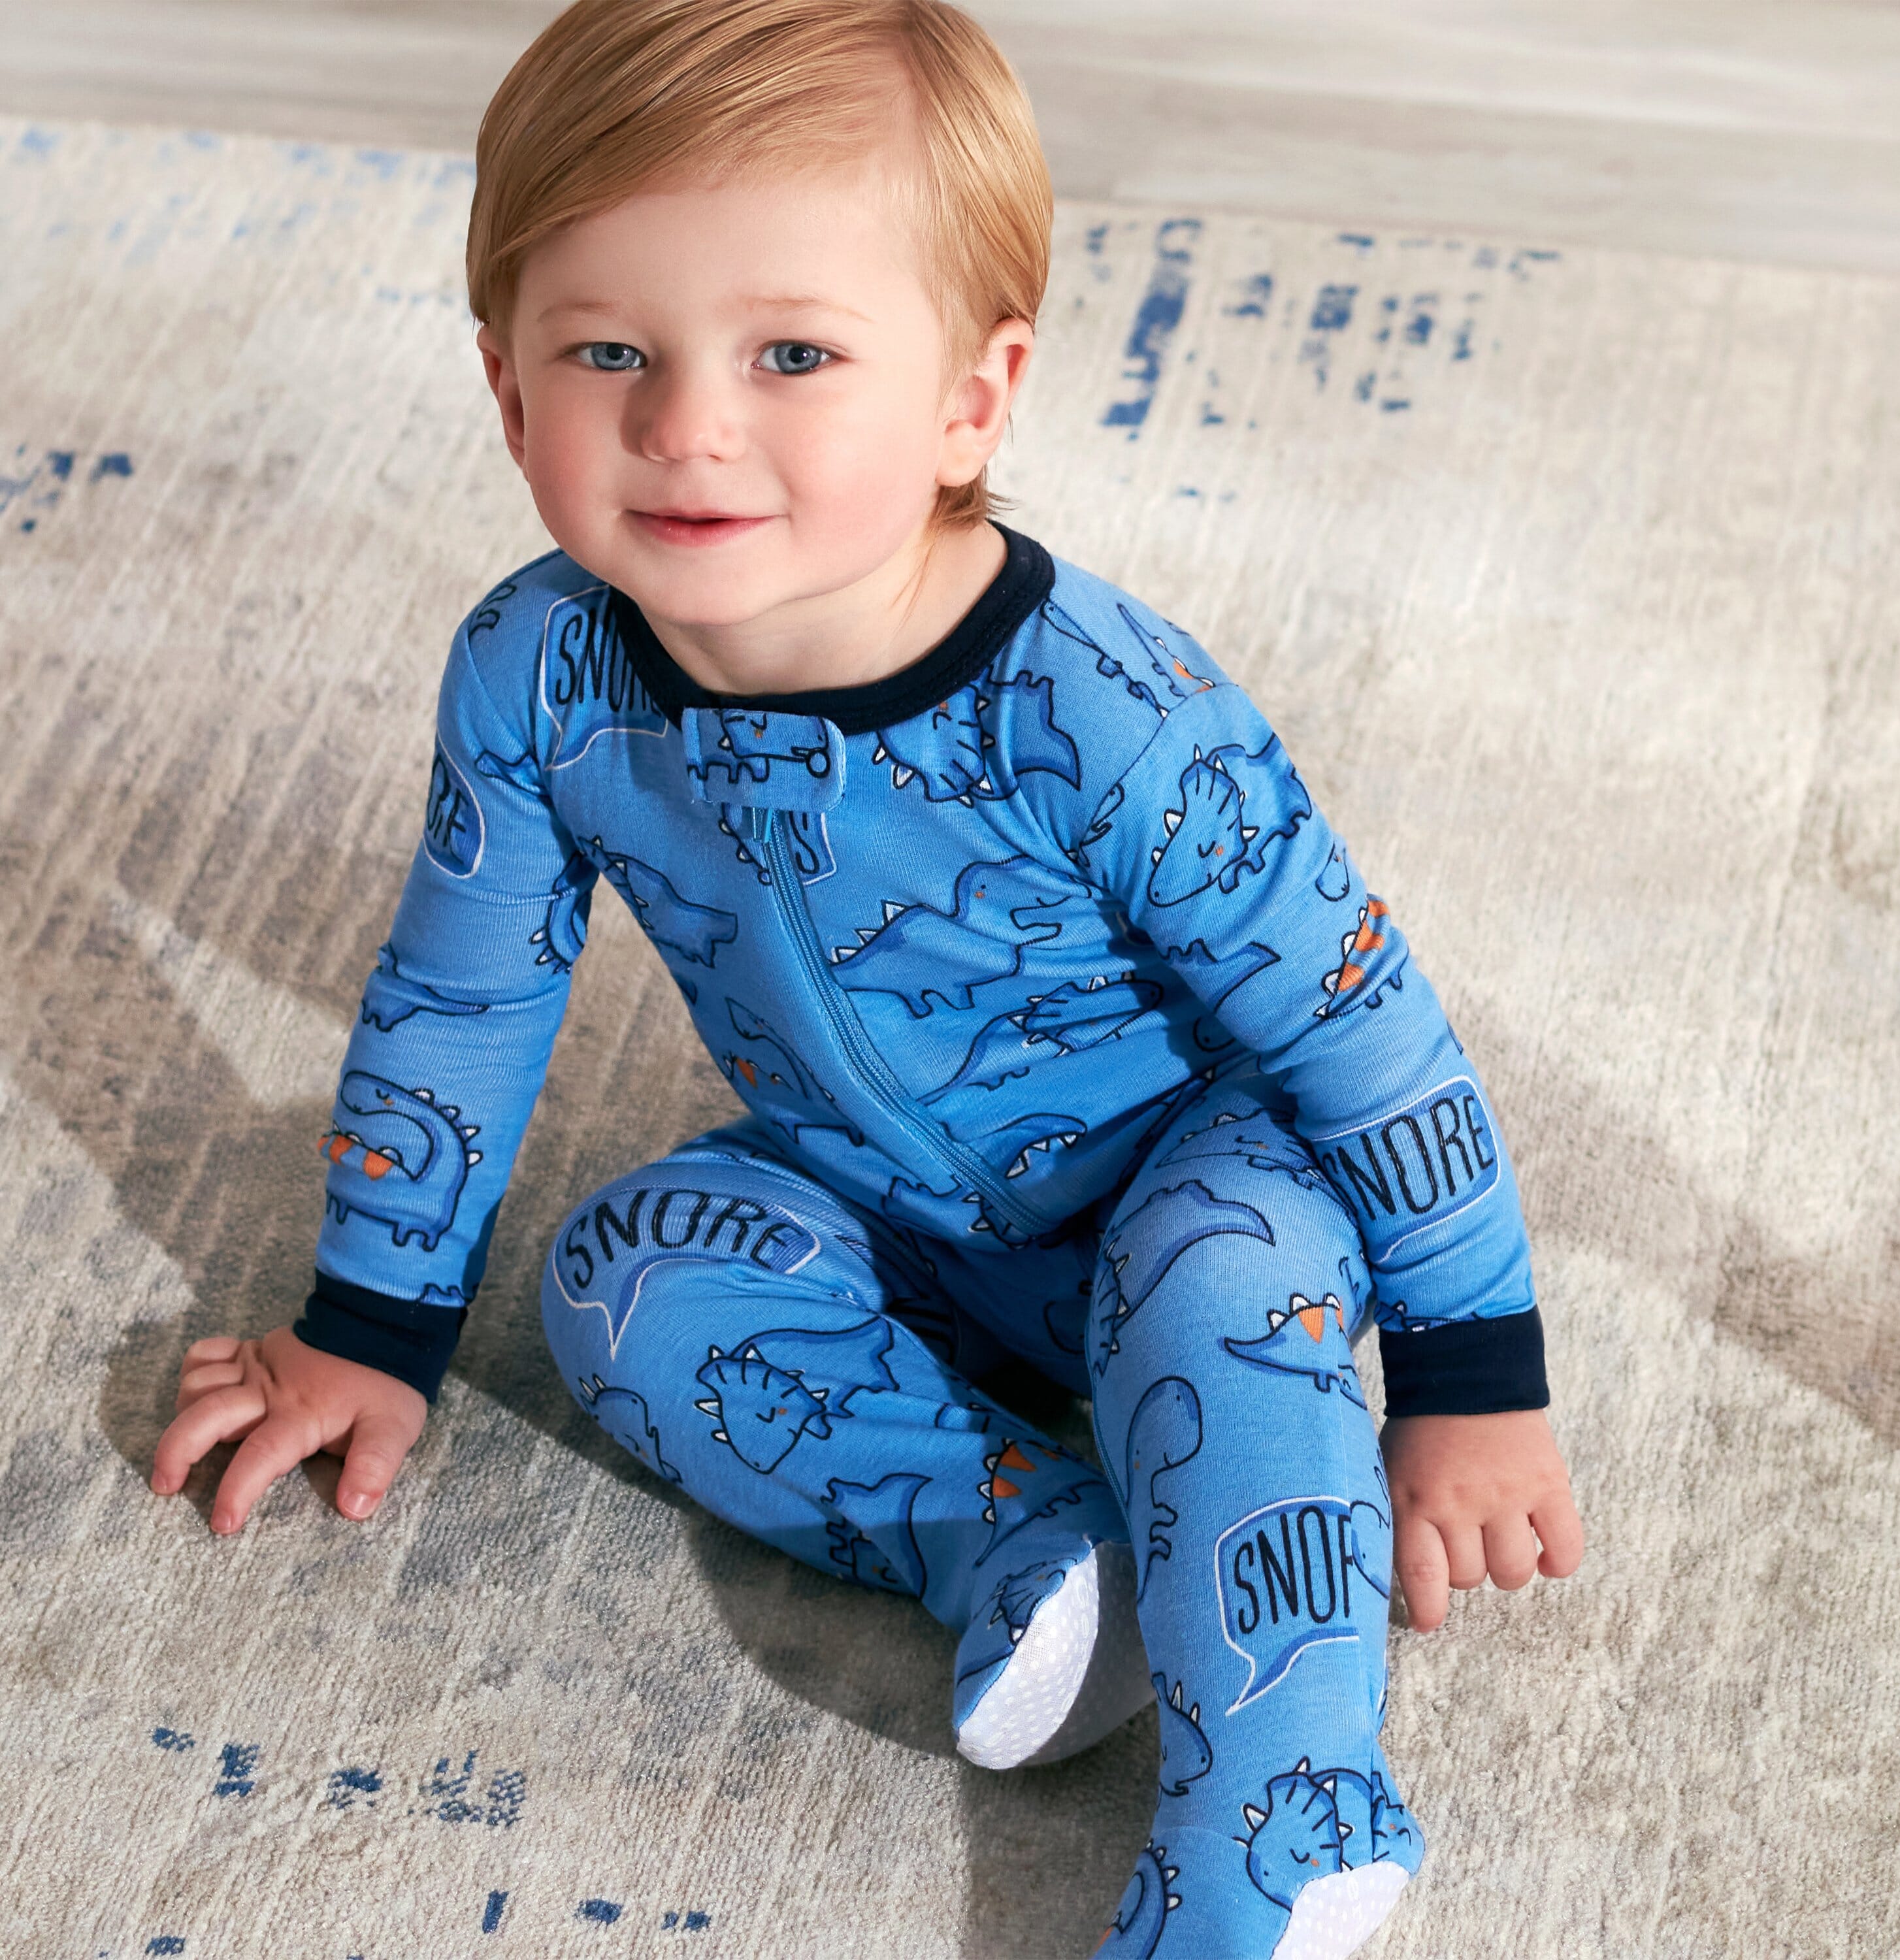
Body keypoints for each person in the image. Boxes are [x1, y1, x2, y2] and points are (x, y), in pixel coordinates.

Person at [147, 3, 1584, 1952]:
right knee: (624, 1277)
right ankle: (1030, 1541)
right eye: (608, 353)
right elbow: (460, 1002)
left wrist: (1475, 1375)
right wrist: (371, 1323)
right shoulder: (534, 675)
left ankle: (1288, 1803)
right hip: (880, 1201)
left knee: (1228, 1296)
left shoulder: (1110, 715)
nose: (686, 426)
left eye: (794, 355)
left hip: (1203, 1176)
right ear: (503, 386)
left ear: (971, 403)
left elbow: (1365, 1031)